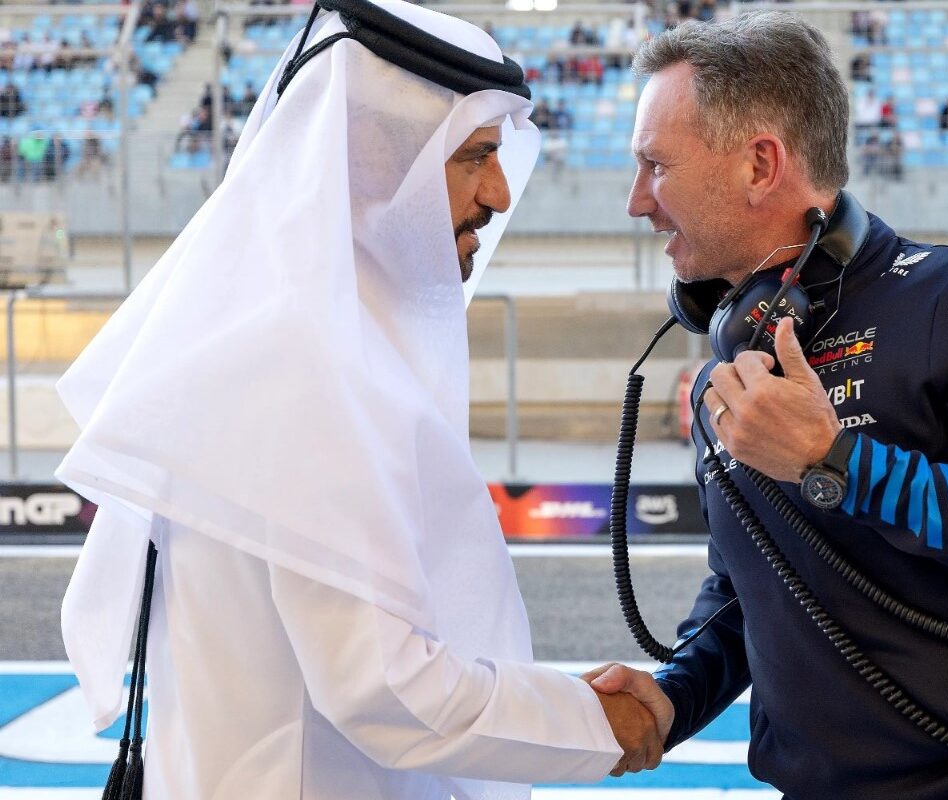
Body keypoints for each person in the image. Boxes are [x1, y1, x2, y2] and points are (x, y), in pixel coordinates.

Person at [54, 2, 668, 798]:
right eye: (475, 156)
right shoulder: (306, 364)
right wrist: (592, 725)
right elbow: (382, 687)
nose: (499, 192)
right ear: (381, 165)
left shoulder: (283, 331)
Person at [590, 11, 948, 800]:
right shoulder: (740, 353)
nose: (635, 202)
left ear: (760, 165)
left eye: (655, 166)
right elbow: (753, 587)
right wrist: (674, 695)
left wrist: (838, 464)